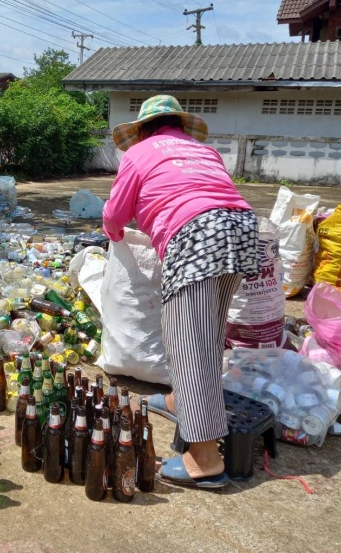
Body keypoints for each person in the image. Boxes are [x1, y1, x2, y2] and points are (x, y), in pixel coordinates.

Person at [102, 95, 259, 489]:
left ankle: (205, 460)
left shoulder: (138, 154)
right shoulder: (205, 151)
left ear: (142, 129)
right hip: (242, 228)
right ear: (179, 125)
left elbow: (115, 213)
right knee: (209, 331)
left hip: (195, 233)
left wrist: (114, 235)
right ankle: (178, 401)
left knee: (186, 341)